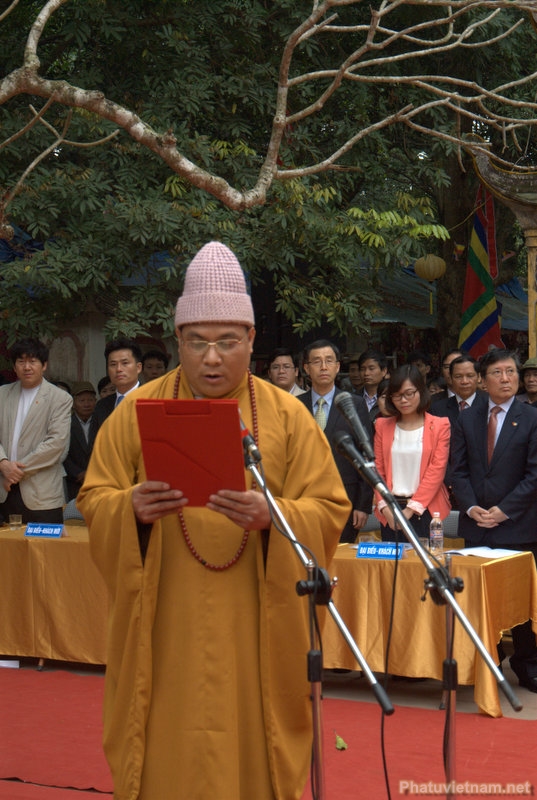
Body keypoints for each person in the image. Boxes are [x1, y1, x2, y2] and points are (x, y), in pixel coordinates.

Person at [78, 241, 350, 800]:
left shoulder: (288, 415)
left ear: (251, 339)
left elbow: (328, 508)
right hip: (165, 618)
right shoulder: (134, 412)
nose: (210, 358)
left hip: (256, 620)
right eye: (196, 342)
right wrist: (130, 509)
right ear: (177, 339)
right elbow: (95, 497)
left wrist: (275, 516)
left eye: (226, 342)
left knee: (253, 737)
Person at [450, 348, 537, 693]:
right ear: (483, 381)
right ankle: (490, 662)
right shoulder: (467, 418)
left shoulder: (531, 417)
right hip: (477, 525)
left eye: (511, 372)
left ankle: (527, 665)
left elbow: (534, 475)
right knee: (480, 600)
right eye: (498, 373)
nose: (506, 379)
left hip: (518, 525)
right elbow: (457, 470)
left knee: (520, 602)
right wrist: (471, 507)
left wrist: (505, 510)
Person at [297, 339, 373, 543]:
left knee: (340, 555)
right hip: (303, 499)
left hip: (344, 498)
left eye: (329, 360)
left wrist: (362, 505)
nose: (323, 367)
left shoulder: (354, 404)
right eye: (316, 361)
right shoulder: (295, 405)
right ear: (306, 368)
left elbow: (365, 455)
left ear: (338, 366)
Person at [373, 364, 451, 542]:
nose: (403, 400)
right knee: (393, 558)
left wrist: (410, 510)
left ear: (421, 391)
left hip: (427, 510)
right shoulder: (382, 426)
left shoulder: (440, 425)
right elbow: (377, 471)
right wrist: (385, 508)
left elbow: (436, 471)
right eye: (397, 395)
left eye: (409, 393)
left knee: (426, 558)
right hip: (390, 510)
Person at [0, 338, 72, 524]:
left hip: (42, 495)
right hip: (4, 490)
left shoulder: (60, 398)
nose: (27, 367)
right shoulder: (2, 394)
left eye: (32, 361)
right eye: (21, 361)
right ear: (14, 366)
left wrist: (14, 472)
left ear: (44, 365)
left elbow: (56, 444)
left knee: (44, 543)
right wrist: (3, 463)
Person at [89, 338, 142, 446]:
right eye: (113, 364)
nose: (118, 369)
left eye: (125, 363)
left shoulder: (153, 398)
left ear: (138, 367)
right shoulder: (102, 405)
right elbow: (94, 446)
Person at [64, 381, 97, 501]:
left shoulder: (102, 421)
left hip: (99, 481)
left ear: (95, 401)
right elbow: (62, 453)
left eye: (90, 400)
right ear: (73, 403)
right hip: (74, 482)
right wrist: (78, 473)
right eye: (82, 401)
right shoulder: (65, 424)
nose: (86, 404)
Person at [358, 349, 388, 422]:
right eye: (362, 369)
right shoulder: (353, 397)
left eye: (371, 369)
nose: (366, 373)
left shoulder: (391, 397)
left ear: (384, 371)